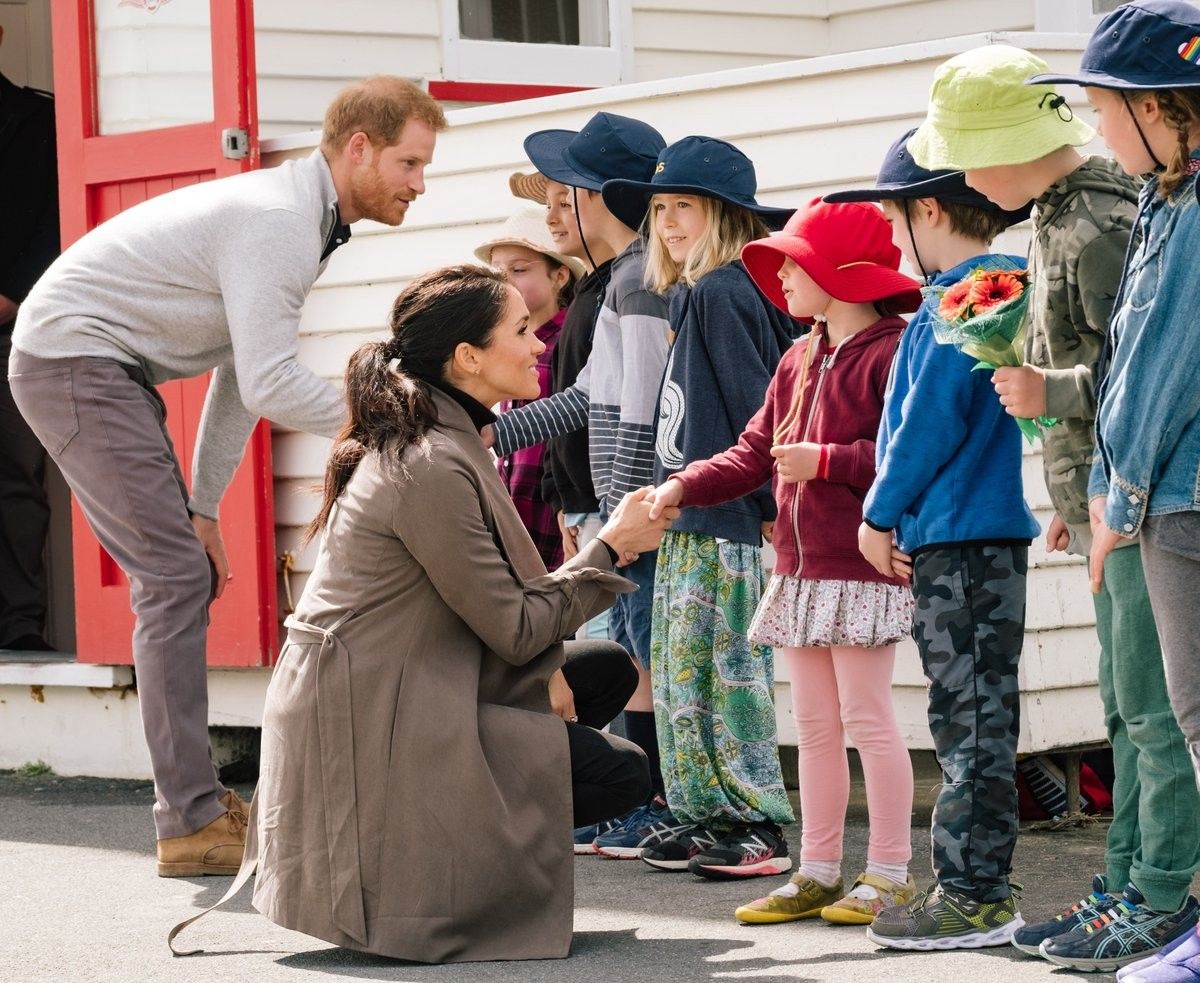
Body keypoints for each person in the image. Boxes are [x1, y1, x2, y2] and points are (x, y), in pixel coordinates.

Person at [171, 264, 673, 963]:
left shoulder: (443, 434)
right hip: (374, 721)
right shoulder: (428, 460)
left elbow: (501, 605)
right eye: (522, 331)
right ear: (468, 357)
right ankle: (447, 873)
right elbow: (516, 625)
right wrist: (610, 546)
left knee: (605, 668)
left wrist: (565, 632)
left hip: (413, 679)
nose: (539, 347)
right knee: (622, 772)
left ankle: (476, 837)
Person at [8, 76, 445, 875]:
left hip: (100, 366)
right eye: (410, 163)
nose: (420, 182)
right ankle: (190, 822)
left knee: (185, 568)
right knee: (172, 578)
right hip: (74, 360)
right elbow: (277, 382)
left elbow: (244, 377)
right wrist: (396, 421)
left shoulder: (301, 220)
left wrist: (204, 505)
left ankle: (194, 806)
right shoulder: (281, 221)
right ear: (358, 149)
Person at [908, 40, 1200, 973]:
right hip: (1114, 497)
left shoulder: (1105, 216)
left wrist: (1051, 397)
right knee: (1126, 711)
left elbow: (1145, 367)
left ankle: (1158, 892)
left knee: (1155, 714)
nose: (957, 176)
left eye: (965, 153)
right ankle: (1126, 884)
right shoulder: (1087, 210)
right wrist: (1079, 494)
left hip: (1144, 499)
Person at [650, 194, 923, 916]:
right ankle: (819, 868)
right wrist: (683, 483)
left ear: (838, 273)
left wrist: (826, 459)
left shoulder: (892, 351)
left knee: (868, 719)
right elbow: (752, 451)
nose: (781, 282)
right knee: (813, 727)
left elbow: (901, 455)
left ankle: (890, 870)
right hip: (799, 575)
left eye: (794, 266)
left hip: (860, 571)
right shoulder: (800, 357)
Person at [1028, 4, 1200, 979]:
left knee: (1186, 716)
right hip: (1153, 492)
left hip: (1175, 497)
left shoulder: (1191, 212)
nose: (1095, 128)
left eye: (1104, 108)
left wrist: (1117, 503)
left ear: (1161, 106)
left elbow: (1160, 370)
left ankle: (1171, 904)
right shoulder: (1167, 203)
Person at [848, 118, 1039, 950]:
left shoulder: (977, 289)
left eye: (894, 219)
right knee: (973, 714)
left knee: (969, 721)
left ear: (931, 209)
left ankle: (975, 893)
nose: (891, 236)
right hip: (960, 537)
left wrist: (878, 511)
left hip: (962, 539)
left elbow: (928, 421)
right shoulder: (973, 288)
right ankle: (973, 881)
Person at [598, 135, 797, 875]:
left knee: (725, 676)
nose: (669, 223)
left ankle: (755, 820)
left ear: (728, 216)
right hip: (689, 520)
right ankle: (704, 809)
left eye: (686, 206)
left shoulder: (726, 291)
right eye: (660, 208)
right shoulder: (694, 291)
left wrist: (776, 503)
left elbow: (760, 409)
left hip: (730, 520)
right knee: (683, 676)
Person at [480, 113, 676, 850]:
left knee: (648, 659)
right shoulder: (617, 282)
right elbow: (588, 396)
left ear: (600, 199)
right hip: (615, 512)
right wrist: (495, 430)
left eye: (571, 193)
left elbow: (648, 410)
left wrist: (623, 517)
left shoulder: (639, 286)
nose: (562, 206)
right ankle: (650, 802)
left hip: (635, 510)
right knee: (633, 655)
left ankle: (655, 801)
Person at [510, 168, 617, 601]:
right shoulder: (589, 298)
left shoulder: (619, 292)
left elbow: (595, 401)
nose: (552, 218)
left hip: (603, 504)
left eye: (564, 203)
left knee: (607, 648)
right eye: (547, 205)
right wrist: (560, 498)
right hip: (571, 506)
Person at [474, 207, 585, 569]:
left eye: (519, 270)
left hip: (555, 516)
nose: (506, 281)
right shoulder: (502, 345)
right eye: (498, 272)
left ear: (560, 276)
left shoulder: (568, 341)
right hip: (516, 513)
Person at [0, 45, 60, 653]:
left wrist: (13, 296)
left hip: (12, 333)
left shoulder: (36, 121)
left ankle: (19, 627)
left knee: (15, 480)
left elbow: (57, 224)